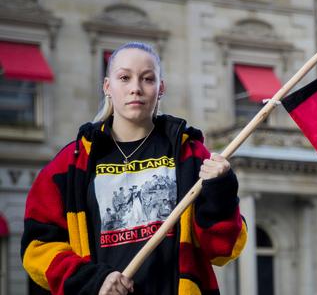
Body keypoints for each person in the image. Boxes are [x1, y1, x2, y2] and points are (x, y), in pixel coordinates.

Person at [21, 42, 247, 295]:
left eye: (147, 79)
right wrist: (92, 281)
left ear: (160, 88)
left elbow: (224, 250)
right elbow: (37, 248)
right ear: (108, 86)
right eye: (124, 78)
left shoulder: (191, 154)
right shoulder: (71, 162)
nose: (135, 88)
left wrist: (221, 190)